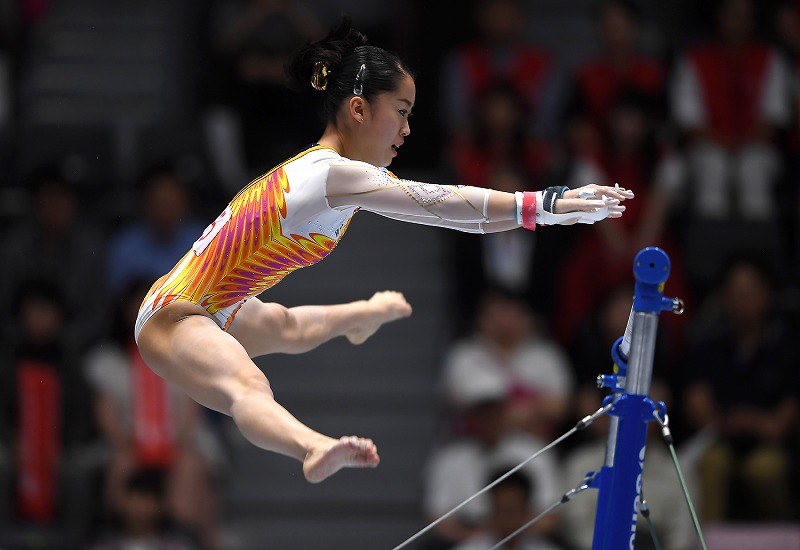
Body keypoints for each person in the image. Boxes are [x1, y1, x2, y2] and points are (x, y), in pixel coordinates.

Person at [135, 16, 633, 485]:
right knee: (246, 385)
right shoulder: (331, 173)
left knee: (284, 325)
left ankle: (360, 315)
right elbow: (440, 204)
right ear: (359, 109)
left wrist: (541, 209)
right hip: (176, 315)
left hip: (221, 304)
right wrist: (543, 204)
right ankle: (311, 447)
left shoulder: (337, 178)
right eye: (401, 113)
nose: (407, 130)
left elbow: (447, 210)